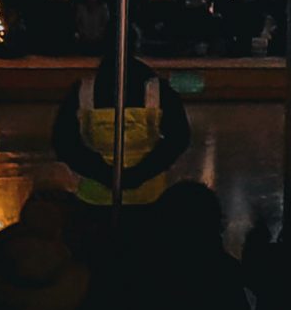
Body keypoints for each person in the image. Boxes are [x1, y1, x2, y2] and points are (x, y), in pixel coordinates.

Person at [50, 55, 192, 210]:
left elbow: (64, 143)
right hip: (147, 198)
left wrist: (102, 174)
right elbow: (178, 139)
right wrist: (140, 174)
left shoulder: (83, 90)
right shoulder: (159, 91)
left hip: (94, 200)